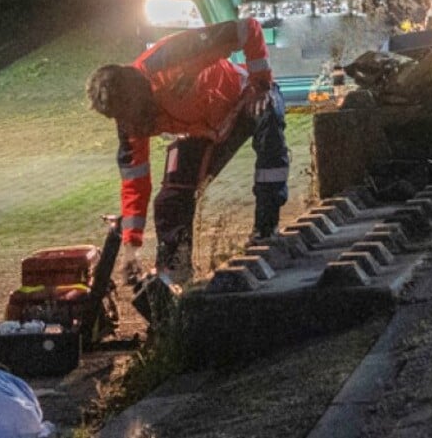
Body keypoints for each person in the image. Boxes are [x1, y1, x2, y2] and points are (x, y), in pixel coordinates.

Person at [87, 19, 288, 295]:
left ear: (141, 91)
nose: (134, 127)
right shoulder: (129, 119)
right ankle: (175, 273)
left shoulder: (171, 56)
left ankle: (266, 230)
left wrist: (261, 84)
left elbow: (247, 29)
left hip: (243, 100)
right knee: (170, 198)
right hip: (205, 132)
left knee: (269, 120)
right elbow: (135, 185)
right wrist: (131, 250)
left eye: (133, 115)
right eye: (121, 119)